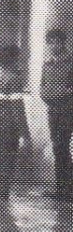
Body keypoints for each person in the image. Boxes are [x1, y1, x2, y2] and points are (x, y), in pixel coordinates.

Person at [0, 44, 30, 196]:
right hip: (8, 129)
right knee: (7, 165)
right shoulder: (14, 79)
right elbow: (19, 111)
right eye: (17, 58)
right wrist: (26, 137)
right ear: (12, 59)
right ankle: (1, 201)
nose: (19, 61)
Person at [42, 29, 73, 200]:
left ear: (63, 43)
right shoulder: (47, 63)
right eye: (51, 42)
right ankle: (61, 189)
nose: (54, 45)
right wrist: (55, 94)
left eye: (58, 41)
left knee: (63, 147)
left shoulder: (71, 62)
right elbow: (42, 88)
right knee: (57, 148)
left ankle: (67, 190)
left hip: (67, 111)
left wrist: (60, 94)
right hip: (52, 111)